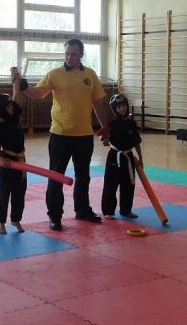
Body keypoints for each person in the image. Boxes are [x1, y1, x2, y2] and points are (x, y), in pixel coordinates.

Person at [21, 38, 110, 231]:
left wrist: (105, 128)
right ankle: (55, 216)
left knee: (83, 176)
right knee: (56, 176)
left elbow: (98, 103)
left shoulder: (90, 74)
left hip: (84, 135)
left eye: (74, 54)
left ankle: (82, 210)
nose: (69, 57)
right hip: (60, 134)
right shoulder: (55, 74)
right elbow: (37, 93)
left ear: (81, 55)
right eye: (67, 54)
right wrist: (23, 86)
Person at [0, 67, 27, 235]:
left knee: (20, 192)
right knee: (5, 193)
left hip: (21, 161)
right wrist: (0, 158)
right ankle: (1, 222)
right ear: (2, 110)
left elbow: (17, 95)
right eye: (9, 105)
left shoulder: (13, 114)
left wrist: (15, 78)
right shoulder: (1, 128)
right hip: (8, 164)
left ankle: (16, 219)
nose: (12, 106)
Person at [101, 94, 143, 220]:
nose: (122, 109)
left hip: (128, 156)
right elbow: (105, 142)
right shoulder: (111, 123)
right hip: (114, 156)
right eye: (119, 107)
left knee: (129, 185)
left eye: (123, 106)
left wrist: (140, 158)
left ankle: (126, 210)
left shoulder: (131, 123)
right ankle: (108, 211)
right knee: (111, 185)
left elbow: (136, 142)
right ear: (115, 109)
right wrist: (105, 139)